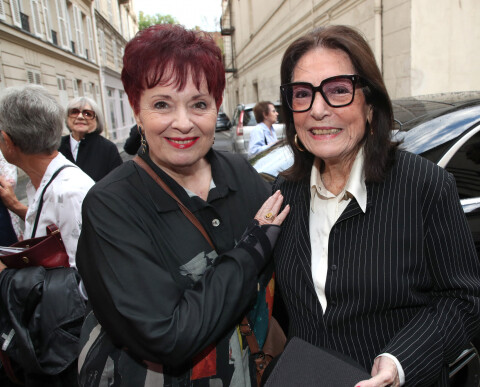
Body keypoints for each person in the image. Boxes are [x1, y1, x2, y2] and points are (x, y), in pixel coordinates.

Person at [272, 25, 480, 387]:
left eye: (338, 90)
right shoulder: (286, 192)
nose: (319, 110)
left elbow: (464, 298)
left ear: (370, 105)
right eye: (302, 94)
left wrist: (399, 362)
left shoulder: (424, 185)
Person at [76, 24, 290, 387]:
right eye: (162, 104)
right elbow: (168, 335)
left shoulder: (240, 173)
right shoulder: (111, 205)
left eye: (199, 104)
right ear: (136, 110)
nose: (183, 123)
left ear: (215, 107)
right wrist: (252, 249)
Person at [0, 84, 93, 385]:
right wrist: (16, 206)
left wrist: (8, 276)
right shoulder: (50, 182)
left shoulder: (69, 191)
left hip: (70, 352)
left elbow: (88, 285)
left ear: (9, 142)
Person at [59, 96, 123, 181]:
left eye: (88, 114)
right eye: (74, 112)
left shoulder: (107, 148)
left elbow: (119, 183)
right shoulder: (56, 146)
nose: (80, 117)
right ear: (67, 118)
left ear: (97, 120)